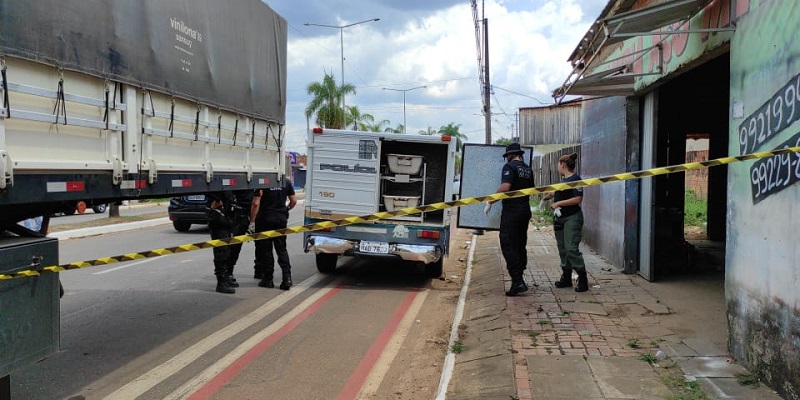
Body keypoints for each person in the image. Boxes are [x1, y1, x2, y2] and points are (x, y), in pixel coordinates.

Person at [488, 142, 535, 296]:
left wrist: (490, 200)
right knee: (520, 243)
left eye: (507, 155)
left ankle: (517, 281)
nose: (507, 158)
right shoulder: (528, 169)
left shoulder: (510, 167)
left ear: (510, 155)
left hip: (512, 211)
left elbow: (505, 188)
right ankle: (520, 277)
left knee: (507, 242)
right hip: (525, 210)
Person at [542, 153, 588, 292]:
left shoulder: (576, 179)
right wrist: (548, 196)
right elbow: (560, 192)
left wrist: (558, 203)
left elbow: (577, 199)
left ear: (562, 164)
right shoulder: (562, 181)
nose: (557, 167)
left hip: (572, 218)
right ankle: (566, 277)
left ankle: (583, 279)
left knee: (571, 248)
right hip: (560, 218)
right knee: (563, 249)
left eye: (558, 164)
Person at [250, 178, 297, 290]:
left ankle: (268, 279)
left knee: (266, 250)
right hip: (280, 219)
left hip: (265, 219)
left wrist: (252, 221)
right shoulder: (286, 182)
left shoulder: (262, 182)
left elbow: (256, 203)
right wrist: (286, 209)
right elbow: (293, 201)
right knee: (281, 249)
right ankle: (287, 278)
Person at [207, 191, 237, 294]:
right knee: (221, 252)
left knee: (227, 251)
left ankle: (226, 277)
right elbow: (214, 199)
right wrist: (218, 201)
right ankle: (221, 282)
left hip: (225, 222)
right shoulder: (216, 186)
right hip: (218, 223)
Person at [225, 189, 255, 288]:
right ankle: (227, 272)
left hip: (241, 215)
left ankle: (228, 272)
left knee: (234, 246)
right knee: (234, 247)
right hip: (240, 215)